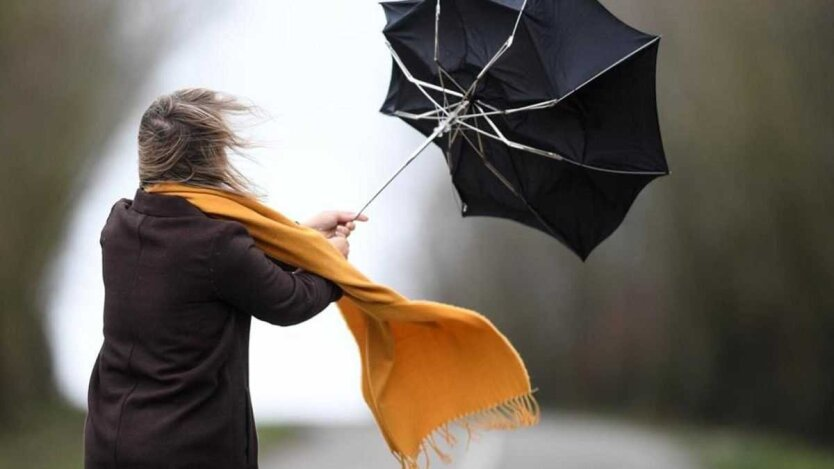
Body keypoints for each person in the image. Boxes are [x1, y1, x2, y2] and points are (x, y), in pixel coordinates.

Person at [83, 88, 367, 469]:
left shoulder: (120, 224)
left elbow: (228, 271)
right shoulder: (216, 243)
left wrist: (303, 238)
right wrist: (333, 266)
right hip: (187, 449)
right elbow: (289, 300)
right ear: (212, 159)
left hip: (111, 442)